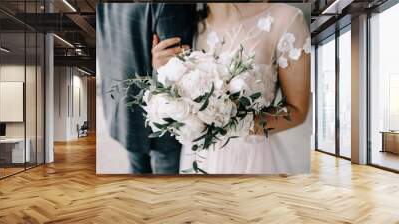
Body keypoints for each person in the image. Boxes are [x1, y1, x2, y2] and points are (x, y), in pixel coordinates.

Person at [152, 3, 311, 174]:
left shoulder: (285, 20)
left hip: (251, 161)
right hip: (197, 158)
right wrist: (164, 69)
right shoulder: (188, 23)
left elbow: (297, 110)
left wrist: (233, 124)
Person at [97, 3, 196, 174]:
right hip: (161, 121)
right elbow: (177, 70)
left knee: (137, 172)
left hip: (122, 111)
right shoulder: (170, 6)